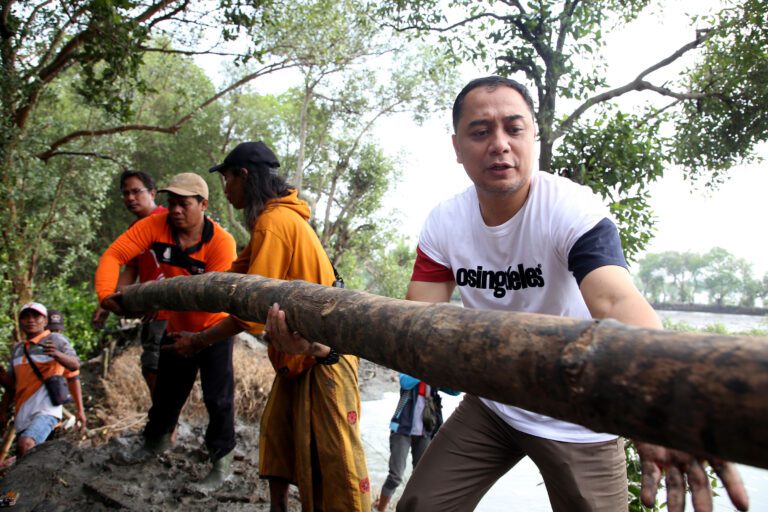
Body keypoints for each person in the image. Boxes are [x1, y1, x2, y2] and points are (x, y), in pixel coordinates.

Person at [265, 76, 749, 512]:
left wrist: (665, 400)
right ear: (457, 146)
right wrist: (323, 346)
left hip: (577, 415)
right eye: (481, 132)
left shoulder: (571, 209)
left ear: (533, 137)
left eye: (514, 129)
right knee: (421, 505)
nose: (499, 145)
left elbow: (617, 302)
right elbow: (410, 326)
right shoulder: (445, 223)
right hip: (493, 404)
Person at [167, 141, 370, 511]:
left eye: (227, 179)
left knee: (336, 462)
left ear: (243, 175)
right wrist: (179, 288)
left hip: (324, 358)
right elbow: (234, 275)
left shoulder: (274, 224)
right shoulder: (273, 220)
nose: (225, 189)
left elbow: (250, 308)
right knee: (277, 435)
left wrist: (199, 340)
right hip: (295, 359)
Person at [94, 172, 237, 492]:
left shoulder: (221, 242)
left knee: (218, 398)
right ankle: (156, 441)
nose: (175, 210)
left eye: (184, 204)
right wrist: (107, 295)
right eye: (171, 202)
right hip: (176, 326)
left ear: (203, 205)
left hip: (213, 329)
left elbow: (207, 295)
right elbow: (115, 256)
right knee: (167, 392)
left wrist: (195, 339)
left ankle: (221, 461)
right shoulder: (154, 227)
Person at [92, 170, 169, 396]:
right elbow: (131, 268)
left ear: (153, 192)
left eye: (136, 191)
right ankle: (166, 423)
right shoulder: (133, 230)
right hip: (150, 310)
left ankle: (167, 425)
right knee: (151, 366)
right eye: (125, 193)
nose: (130, 198)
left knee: (157, 363)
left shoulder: (170, 217)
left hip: (172, 308)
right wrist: (105, 301)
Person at [0, 303, 81, 456]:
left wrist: (57, 354)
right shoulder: (18, 349)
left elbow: (75, 365)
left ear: (45, 321)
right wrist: (3, 409)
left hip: (47, 411)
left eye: (36, 316)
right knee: (29, 455)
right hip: (23, 413)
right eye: (25, 317)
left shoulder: (55, 339)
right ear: (19, 322)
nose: (31, 320)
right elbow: (12, 387)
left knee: (26, 444)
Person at [374, 373, 458, 511]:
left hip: (425, 433)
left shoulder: (433, 381)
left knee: (420, 478)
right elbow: (405, 382)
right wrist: (427, 367)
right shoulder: (410, 371)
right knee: (395, 476)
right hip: (401, 430)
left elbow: (455, 391)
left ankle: (408, 508)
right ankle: (381, 509)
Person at [46, 310, 87, 430]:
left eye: (57, 331)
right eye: (50, 331)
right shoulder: (26, 349)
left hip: (49, 412)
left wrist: (80, 410)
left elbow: (73, 378)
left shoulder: (61, 352)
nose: (55, 335)